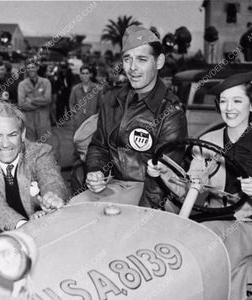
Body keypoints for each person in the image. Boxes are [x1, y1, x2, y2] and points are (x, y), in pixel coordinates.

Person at [148, 72, 252, 300]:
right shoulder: (206, 141)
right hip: (210, 219)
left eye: (237, 101)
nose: (229, 108)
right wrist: (165, 173)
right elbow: (190, 193)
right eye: (223, 101)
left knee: (206, 242)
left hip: (250, 226)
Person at [70, 25, 187, 208]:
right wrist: (96, 170)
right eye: (127, 59)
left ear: (159, 62)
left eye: (142, 59)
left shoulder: (171, 111)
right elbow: (98, 146)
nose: (132, 68)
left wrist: (141, 218)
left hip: (154, 191)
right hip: (114, 186)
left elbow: (164, 175)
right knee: (75, 208)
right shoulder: (112, 99)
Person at [0, 100, 67, 235]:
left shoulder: (40, 153)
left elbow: (51, 179)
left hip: (43, 225)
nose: (5, 144)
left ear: (22, 134)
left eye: (12, 135)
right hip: (2, 230)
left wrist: (52, 198)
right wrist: (25, 226)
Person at [18, 59, 52, 143]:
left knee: (45, 145)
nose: (30, 69)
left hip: (43, 119)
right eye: (28, 68)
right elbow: (21, 103)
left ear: (37, 68)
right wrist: (40, 103)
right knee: (30, 145)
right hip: (29, 120)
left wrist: (30, 100)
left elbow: (47, 99)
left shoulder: (46, 82)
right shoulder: (22, 85)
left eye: (33, 67)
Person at [68, 65, 102, 129]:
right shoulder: (75, 89)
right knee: (78, 138)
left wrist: (96, 117)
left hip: (92, 122)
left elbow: (100, 105)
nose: (85, 75)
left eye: (87, 73)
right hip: (79, 122)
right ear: (80, 75)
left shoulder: (97, 88)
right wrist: (75, 116)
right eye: (83, 73)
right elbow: (71, 104)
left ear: (90, 75)